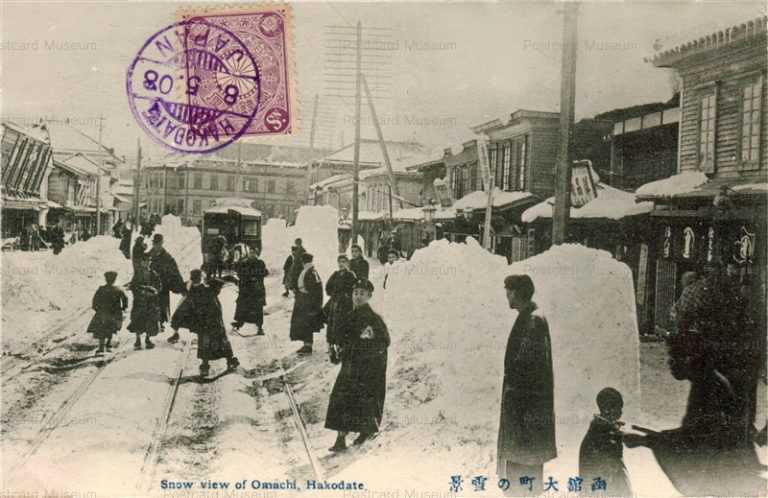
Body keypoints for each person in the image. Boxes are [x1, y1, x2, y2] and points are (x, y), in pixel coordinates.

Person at [496, 274, 556, 494]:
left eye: (508, 291)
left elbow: (525, 370)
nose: (506, 296)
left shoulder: (532, 321)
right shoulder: (530, 316)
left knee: (522, 479)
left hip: (526, 418)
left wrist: (513, 397)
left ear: (516, 293)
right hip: (526, 417)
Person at [325, 278, 390, 452]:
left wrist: (368, 349)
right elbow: (341, 339)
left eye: (362, 293)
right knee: (341, 398)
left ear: (369, 296)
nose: (358, 297)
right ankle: (340, 437)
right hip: (349, 366)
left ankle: (365, 431)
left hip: (367, 369)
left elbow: (384, 342)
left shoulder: (374, 319)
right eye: (355, 293)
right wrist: (337, 350)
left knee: (364, 399)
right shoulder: (348, 316)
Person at [170, 269, 239, 377]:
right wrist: (231, 279)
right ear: (200, 278)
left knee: (205, 344)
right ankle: (229, 361)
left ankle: (206, 367)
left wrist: (176, 323)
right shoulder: (208, 288)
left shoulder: (193, 292)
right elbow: (219, 282)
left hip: (205, 322)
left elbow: (183, 307)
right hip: (213, 320)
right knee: (221, 341)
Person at [579, 388, 632, 496]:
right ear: (607, 409)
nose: (621, 412)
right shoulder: (603, 434)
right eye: (618, 408)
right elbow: (610, 467)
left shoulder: (600, 430)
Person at [149, 233, 186, 331]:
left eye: (159, 244)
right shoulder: (149, 254)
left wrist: (180, 285)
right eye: (155, 243)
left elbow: (174, 270)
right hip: (151, 284)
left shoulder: (167, 257)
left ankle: (160, 323)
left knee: (162, 304)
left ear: (162, 243)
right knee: (151, 304)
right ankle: (152, 323)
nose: (156, 246)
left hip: (163, 285)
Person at [86, 271, 128, 355]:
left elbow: (95, 300)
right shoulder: (118, 290)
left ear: (106, 279)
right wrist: (123, 308)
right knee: (111, 328)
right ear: (115, 279)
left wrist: (97, 309)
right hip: (114, 313)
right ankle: (108, 344)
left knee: (102, 329)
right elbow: (125, 299)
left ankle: (101, 347)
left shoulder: (101, 289)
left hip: (103, 312)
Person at [230, 244, 269, 335]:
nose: (252, 254)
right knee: (242, 306)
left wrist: (256, 277)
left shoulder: (260, 263)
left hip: (257, 290)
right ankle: (239, 323)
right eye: (251, 252)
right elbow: (239, 272)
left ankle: (259, 328)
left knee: (258, 309)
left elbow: (265, 272)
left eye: (254, 253)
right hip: (246, 290)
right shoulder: (244, 263)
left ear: (257, 254)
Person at [325, 254, 357, 362]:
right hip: (335, 303)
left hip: (346, 305)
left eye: (343, 262)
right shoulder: (335, 274)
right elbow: (328, 287)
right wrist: (334, 294)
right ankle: (332, 347)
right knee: (332, 324)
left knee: (343, 325)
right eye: (339, 262)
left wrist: (347, 296)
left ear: (347, 263)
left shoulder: (351, 275)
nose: (341, 264)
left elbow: (354, 288)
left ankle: (341, 348)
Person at [289, 252, 323, 355]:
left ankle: (308, 346)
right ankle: (306, 344)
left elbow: (314, 289)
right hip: (303, 300)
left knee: (307, 323)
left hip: (307, 301)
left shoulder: (311, 272)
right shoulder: (309, 271)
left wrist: (314, 304)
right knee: (303, 323)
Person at [127, 257, 162, 350]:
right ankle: (137, 340)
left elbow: (158, 286)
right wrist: (141, 291)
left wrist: (154, 291)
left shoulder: (153, 274)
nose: (147, 263)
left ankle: (147, 339)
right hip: (140, 301)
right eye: (145, 261)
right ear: (141, 263)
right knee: (137, 320)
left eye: (148, 261)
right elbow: (133, 286)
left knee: (150, 320)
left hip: (150, 301)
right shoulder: (137, 274)